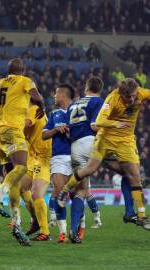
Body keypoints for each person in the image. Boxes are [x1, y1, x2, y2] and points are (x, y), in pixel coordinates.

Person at [58, 78, 150, 239]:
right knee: (90, 170)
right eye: (129, 97)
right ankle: (65, 191)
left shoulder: (140, 93)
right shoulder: (111, 98)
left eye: (135, 96)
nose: (133, 99)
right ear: (121, 94)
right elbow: (99, 121)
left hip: (125, 142)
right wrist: (116, 124)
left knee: (134, 176)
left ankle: (141, 216)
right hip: (105, 140)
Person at [0, 58, 45, 246]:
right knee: (22, 168)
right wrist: (43, 107)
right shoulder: (25, 81)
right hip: (13, 131)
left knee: (14, 180)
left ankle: (17, 225)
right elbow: (37, 96)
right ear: (22, 70)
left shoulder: (1, 83)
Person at [56, 77, 106, 243]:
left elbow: (69, 131)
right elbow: (95, 125)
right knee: (82, 191)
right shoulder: (98, 101)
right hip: (90, 142)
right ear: (99, 89)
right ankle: (73, 226)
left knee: (81, 189)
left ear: (86, 87)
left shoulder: (73, 104)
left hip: (75, 146)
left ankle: (73, 231)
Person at [42, 84, 75, 243]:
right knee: (60, 190)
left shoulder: (76, 111)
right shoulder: (54, 114)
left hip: (77, 156)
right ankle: (62, 233)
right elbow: (44, 135)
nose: (54, 97)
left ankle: (78, 228)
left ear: (63, 95)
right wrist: (56, 130)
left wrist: (70, 132)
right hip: (58, 157)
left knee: (76, 194)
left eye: (56, 94)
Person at [16, 105, 52, 241]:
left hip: (44, 157)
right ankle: (36, 220)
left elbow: (27, 123)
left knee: (36, 194)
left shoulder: (33, 108)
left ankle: (45, 232)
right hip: (33, 156)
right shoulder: (24, 111)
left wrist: (10, 129)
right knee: (21, 188)